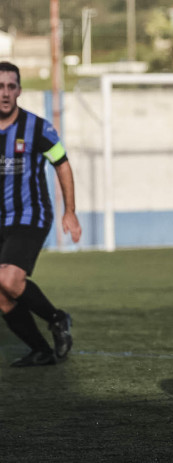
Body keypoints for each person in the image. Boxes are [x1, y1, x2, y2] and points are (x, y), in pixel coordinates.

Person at [0, 61, 80, 367]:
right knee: (2, 295)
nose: (5, 93)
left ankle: (57, 318)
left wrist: (69, 211)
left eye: (11, 86)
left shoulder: (37, 127)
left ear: (19, 90)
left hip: (30, 215)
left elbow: (62, 163)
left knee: (8, 279)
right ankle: (42, 350)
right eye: (0, 86)